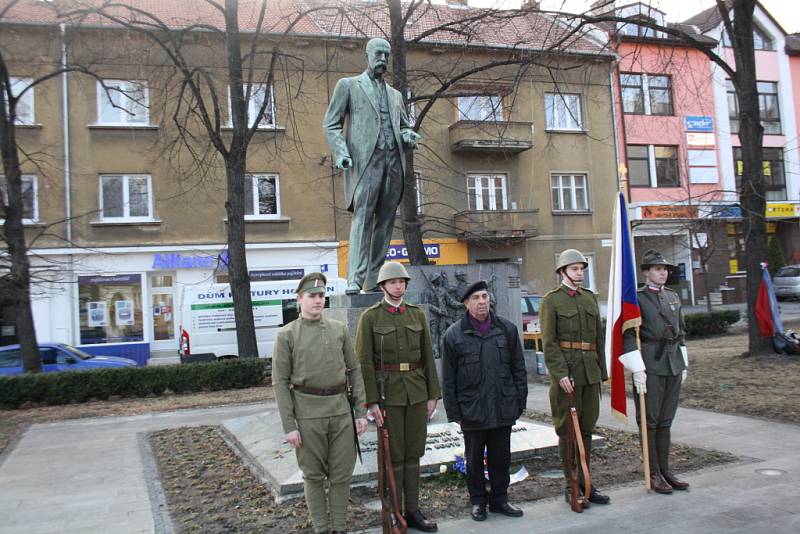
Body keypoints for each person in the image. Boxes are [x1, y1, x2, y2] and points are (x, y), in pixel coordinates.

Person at [323, 38, 422, 295]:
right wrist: (341, 153)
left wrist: (408, 135)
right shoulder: (348, 86)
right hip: (366, 162)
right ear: (367, 55)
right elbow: (331, 124)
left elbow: (403, 126)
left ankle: (374, 279)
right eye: (378, 53)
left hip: (393, 164)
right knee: (363, 218)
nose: (383, 59)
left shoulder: (395, 95)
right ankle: (355, 278)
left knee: (386, 223)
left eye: (387, 55)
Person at [273, 272, 368, 534]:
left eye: (321, 295)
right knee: (313, 476)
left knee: (341, 476)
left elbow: (355, 370)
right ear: (299, 299)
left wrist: (360, 412)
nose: (318, 300)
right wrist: (289, 426)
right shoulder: (287, 335)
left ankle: (339, 528)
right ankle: (321, 528)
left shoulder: (339, 330)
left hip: (340, 412)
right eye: (312, 296)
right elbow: (280, 383)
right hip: (307, 415)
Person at [355, 261, 440, 532]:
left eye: (402, 282)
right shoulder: (370, 317)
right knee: (392, 455)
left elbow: (428, 355)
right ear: (382, 286)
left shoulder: (417, 315)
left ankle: (413, 510)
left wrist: (432, 395)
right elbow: (364, 363)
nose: (398, 285)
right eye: (392, 282)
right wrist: (371, 402)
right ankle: (393, 511)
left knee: (414, 451)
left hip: (415, 392)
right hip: (387, 394)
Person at [441, 280, 528, 522]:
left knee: (502, 457)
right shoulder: (453, 335)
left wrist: (519, 401)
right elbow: (448, 379)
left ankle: (500, 498)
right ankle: (478, 501)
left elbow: (518, 369)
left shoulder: (506, 329)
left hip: (502, 405)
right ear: (466, 304)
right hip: (473, 409)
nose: (482, 302)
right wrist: (454, 412)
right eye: (476, 298)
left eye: (484, 296)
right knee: (474, 459)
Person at [540, 249, 610, 507]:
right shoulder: (552, 301)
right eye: (574, 269)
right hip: (567, 376)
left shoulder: (590, 299)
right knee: (568, 432)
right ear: (562, 272)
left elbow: (598, 339)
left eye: (582, 268)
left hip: (589, 372)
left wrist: (601, 372)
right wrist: (559, 374)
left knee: (587, 429)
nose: (579, 273)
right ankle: (571, 486)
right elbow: (549, 342)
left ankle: (586, 483)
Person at [624, 249, 690, 494]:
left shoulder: (672, 296)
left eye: (665, 269)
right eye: (657, 269)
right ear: (646, 272)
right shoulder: (637, 299)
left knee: (666, 421)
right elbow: (628, 334)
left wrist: (683, 361)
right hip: (649, 364)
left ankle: (665, 469)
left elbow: (680, 331)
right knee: (650, 421)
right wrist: (636, 368)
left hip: (672, 363)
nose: (663, 273)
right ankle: (652, 472)